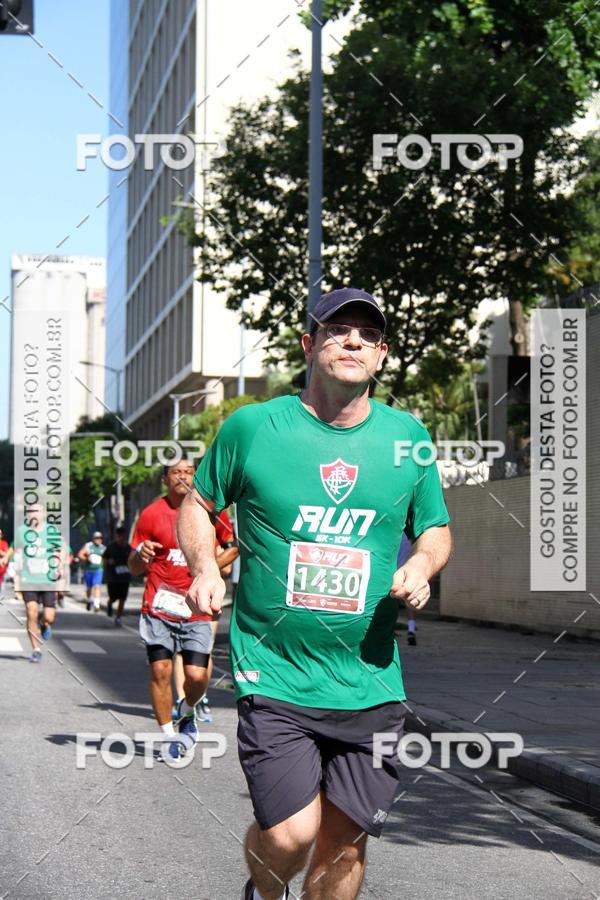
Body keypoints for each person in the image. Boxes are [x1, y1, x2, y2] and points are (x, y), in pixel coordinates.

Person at [178, 287, 452, 900]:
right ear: (310, 345)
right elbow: (198, 503)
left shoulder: (408, 438)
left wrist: (425, 565)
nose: (353, 340)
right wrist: (203, 567)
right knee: (292, 835)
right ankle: (263, 889)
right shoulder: (253, 427)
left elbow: (434, 527)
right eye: (338, 329)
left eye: (367, 334)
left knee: (345, 842)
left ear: (381, 356)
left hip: (371, 679)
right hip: (275, 674)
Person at [128, 459, 215, 759]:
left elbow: (233, 546)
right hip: (159, 608)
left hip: (196, 608)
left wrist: (211, 571)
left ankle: (187, 710)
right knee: (160, 671)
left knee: (196, 677)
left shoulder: (209, 510)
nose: (183, 477)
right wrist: (141, 555)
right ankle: (169, 736)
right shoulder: (151, 514)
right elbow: (134, 568)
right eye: (176, 472)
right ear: (165, 478)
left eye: (189, 472)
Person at [171, 505, 238, 723]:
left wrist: (206, 569)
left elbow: (233, 552)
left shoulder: (218, 515)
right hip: (177, 593)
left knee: (203, 649)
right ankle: (182, 702)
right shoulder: (174, 512)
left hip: (208, 594)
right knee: (181, 651)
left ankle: (201, 697)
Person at [6, 503, 67, 662]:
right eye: (31, 511)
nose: (34, 514)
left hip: (47, 580)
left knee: (49, 617)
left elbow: (62, 548)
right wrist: (15, 573)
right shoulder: (22, 531)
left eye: (37, 511)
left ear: (44, 514)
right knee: (30, 611)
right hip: (29, 579)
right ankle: (35, 648)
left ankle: (45, 624)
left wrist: (60, 565)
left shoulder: (52, 531)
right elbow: (16, 549)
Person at [103, 526, 132, 626]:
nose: (121, 538)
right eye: (119, 536)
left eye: (123, 536)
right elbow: (104, 559)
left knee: (122, 598)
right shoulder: (111, 547)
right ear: (117, 536)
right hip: (113, 578)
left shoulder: (128, 548)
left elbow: (133, 560)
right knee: (113, 597)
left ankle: (118, 617)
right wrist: (108, 562)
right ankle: (110, 603)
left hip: (124, 577)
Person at [78, 532, 106, 611]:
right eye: (97, 538)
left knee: (97, 586)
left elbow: (107, 557)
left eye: (100, 538)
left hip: (98, 570)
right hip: (89, 570)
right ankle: (89, 600)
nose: (98, 540)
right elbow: (80, 554)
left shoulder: (103, 548)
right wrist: (86, 558)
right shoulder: (88, 546)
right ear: (93, 539)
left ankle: (96, 604)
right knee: (89, 588)